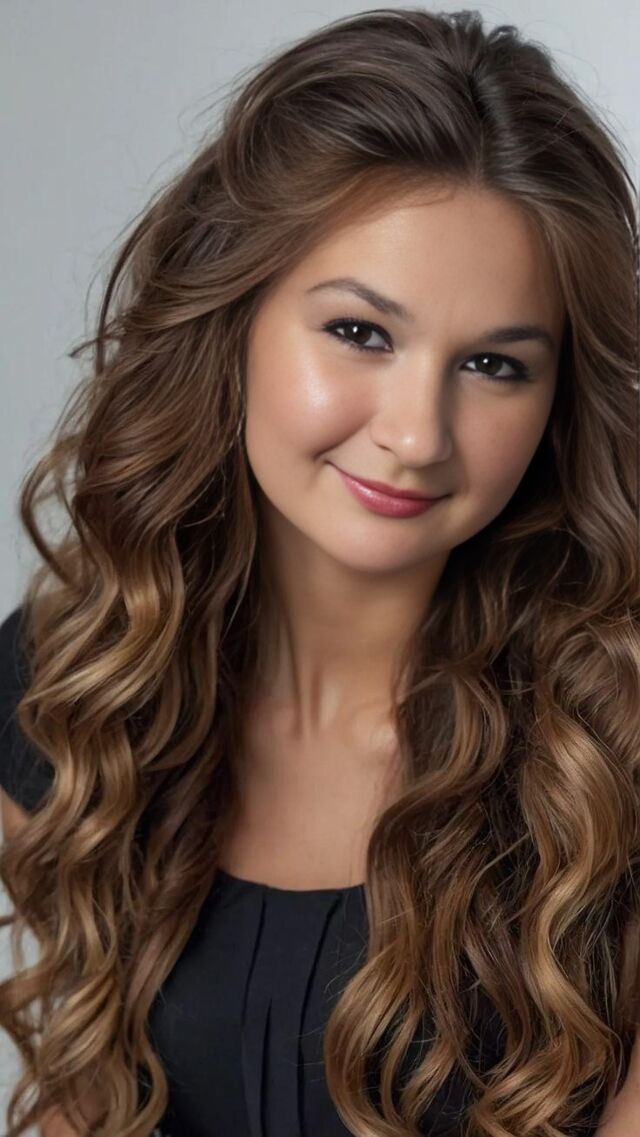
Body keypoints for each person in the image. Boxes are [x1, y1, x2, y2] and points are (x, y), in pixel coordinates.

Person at [0, 8, 638, 1137]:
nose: (417, 433)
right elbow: (82, 1098)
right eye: (361, 333)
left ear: (558, 400)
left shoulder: (615, 735)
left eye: (495, 364)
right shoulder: (78, 682)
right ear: (235, 312)